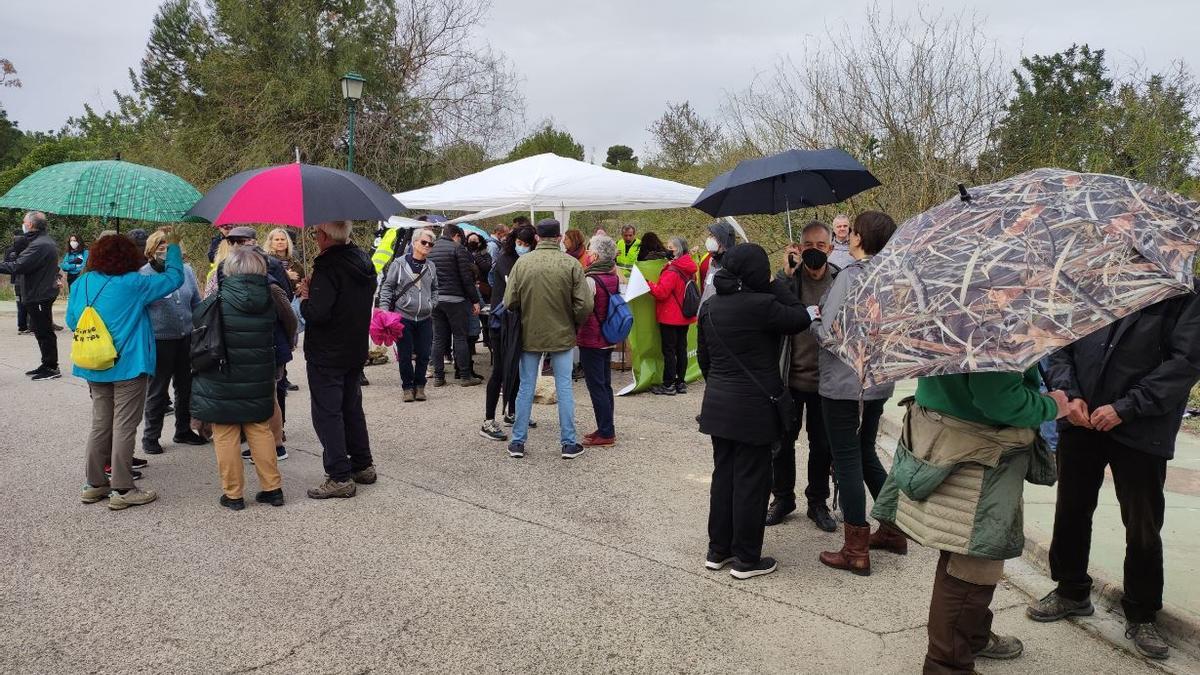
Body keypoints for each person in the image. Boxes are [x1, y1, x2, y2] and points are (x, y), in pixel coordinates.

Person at [1030, 286, 1200, 661]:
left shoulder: (1184, 295)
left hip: (1140, 427)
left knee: (1142, 521)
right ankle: (1071, 590)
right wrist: (1068, 394)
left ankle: (1142, 613)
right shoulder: (1098, 284)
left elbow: (1185, 363)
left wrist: (1127, 407)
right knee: (1071, 509)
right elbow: (1061, 343)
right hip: (1080, 418)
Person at [872, 370, 1067, 673]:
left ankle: (973, 636)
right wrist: (1051, 405)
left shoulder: (954, 322)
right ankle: (946, 665)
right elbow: (997, 398)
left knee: (957, 550)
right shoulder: (994, 325)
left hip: (941, 436)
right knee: (972, 566)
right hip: (979, 452)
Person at [698, 243, 811, 579]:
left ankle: (718, 550)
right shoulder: (764, 305)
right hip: (754, 409)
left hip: (718, 404)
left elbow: (704, 359)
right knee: (751, 481)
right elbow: (800, 316)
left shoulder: (710, 306)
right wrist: (779, 282)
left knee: (724, 476)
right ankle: (747, 558)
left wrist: (720, 386)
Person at [68, 231, 185, 510]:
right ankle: (122, 488)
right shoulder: (135, 283)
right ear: (130, 257)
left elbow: (73, 321)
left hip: (94, 364)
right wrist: (174, 250)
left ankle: (94, 484)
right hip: (129, 365)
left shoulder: (82, 282)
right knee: (124, 425)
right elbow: (174, 279)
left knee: (100, 424)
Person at [812, 211, 897, 575]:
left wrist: (814, 319)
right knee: (866, 453)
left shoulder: (848, 277)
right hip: (879, 381)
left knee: (846, 459)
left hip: (845, 384)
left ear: (857, 238)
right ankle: (893, 528)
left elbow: (830, 331)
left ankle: (855, 548)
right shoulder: (895, 277)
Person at [191, 246, 286, 510]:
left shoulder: (218, 298)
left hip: (222, 375)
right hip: (258, 374)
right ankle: (272, 488)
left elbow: (197, 320)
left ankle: (233, 495)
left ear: (228, 270)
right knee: (260, 429)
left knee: (225, 433)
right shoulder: (270, 297)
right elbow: (287, 326)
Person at [766, 221, 839, 532]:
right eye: (808, 245)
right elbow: (769, 306)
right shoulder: (789, 281)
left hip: (826, 380)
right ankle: (782, 498)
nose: (814, 252)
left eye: (820, 246)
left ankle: (817, 502)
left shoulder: (841, 281)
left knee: (822, 445)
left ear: (831, 248)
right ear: (798, 247)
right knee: (782, 442)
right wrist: (785, 274)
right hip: (790, 378)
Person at [298, 221, 377, 499]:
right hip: (354, 346)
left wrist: (307, 297)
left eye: (317, 233)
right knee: (351, 406)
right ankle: (362, 463)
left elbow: (318, 314)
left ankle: (339, 474)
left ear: (324, 236)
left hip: (327, 351)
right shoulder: (364, 262)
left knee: (328, 412)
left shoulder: (327, 267)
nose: (315, 237)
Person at [503, 218, 592, 459]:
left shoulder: (523, 264)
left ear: (537, 238)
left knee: (526, 387)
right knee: (564, 387)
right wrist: (572, 321)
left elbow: (509, 301)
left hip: (529, 333)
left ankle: (518, 441)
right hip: (562, 334)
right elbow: (585, 304)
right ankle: (568, 443)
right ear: (560, 237)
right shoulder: (571, 264)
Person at [139, 230, 205, 455]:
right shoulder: (144, 275)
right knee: (157, 390)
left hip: (186, 337)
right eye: (160, 244)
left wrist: (202, 328)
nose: (164, 249)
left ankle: (183, 430)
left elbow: (197, 302)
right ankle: (151, 436)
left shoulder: (186, 271)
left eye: (169, 245)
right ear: (151, 248)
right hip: (159, 340)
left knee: (185, 387)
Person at [479, 226, 536, 442]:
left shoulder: (527, 259)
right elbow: (516, 290)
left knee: (518, 371)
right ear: (514, 241)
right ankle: (488, 421)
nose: (522, 247)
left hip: (518, 322)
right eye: (519, 243)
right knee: (500, 371)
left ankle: (512, 413)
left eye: (526, 244)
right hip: (501, 322)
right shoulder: (505, 259)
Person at [378, 227, 439, 403]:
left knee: (424, 354)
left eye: (430, 244)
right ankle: (407, 387)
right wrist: (384, 310)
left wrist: (432, 304)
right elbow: (388, 287)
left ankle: (420, 386)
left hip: (425, 317)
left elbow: (435, 289)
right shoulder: (399, 264)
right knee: (404, 355)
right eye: (424, 242)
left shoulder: (431, 266)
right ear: (414, 243)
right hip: (403, 316)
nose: (428, 246)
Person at [0, 212, 61, 380]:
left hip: (40, 293)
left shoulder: (40, 245)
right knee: (40, 330)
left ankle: (51, 367)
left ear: (31, 225)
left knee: (44, 331)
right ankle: (47, 363)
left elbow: (18, 266)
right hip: (38, 292)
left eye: (25, 222)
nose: (23, 224)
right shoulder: (39, 242)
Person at [577, 234, 620, 446]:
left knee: (597, 386)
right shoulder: (613, 275)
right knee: (605, 385)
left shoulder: (591, 280)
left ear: (594, 255)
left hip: (592, 338)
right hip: (608, 335)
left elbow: (582, 308)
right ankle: (606, 427)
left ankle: (606, 432)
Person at [427, 223, 482, 387]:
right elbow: (466, 278)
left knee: (438, 338)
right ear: (456, 236)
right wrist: (475, 300)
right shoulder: (458, 249)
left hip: (436, 300)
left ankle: (438, 376)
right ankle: (465, 376)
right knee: (459, 337)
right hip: (455, 300)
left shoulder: (431, 249)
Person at [647, 236, 698, 396]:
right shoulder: (689, 267)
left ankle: (668, 384)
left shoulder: (672, 270)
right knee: (681, 349)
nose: (667, 249)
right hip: (685, 315)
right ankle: (680, 382)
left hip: (670, 316)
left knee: (669, 351)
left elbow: (661, 293)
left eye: (670, 246)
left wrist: (647, 283)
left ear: (677, 249)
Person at [698, 221, 736, 305]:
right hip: (705, 313)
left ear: (723, 241)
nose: (709, 239)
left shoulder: (732, 267)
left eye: (713, 236)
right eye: (709, 235)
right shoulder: (712, 261)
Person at [4, 227, 30, 335]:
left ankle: (22, 326)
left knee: (20, 304)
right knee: (26, 303)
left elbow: (6, 265)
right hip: (24, 282)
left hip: (17, 282)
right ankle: (28, 325)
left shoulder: (11, 251)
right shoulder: (29, 251)